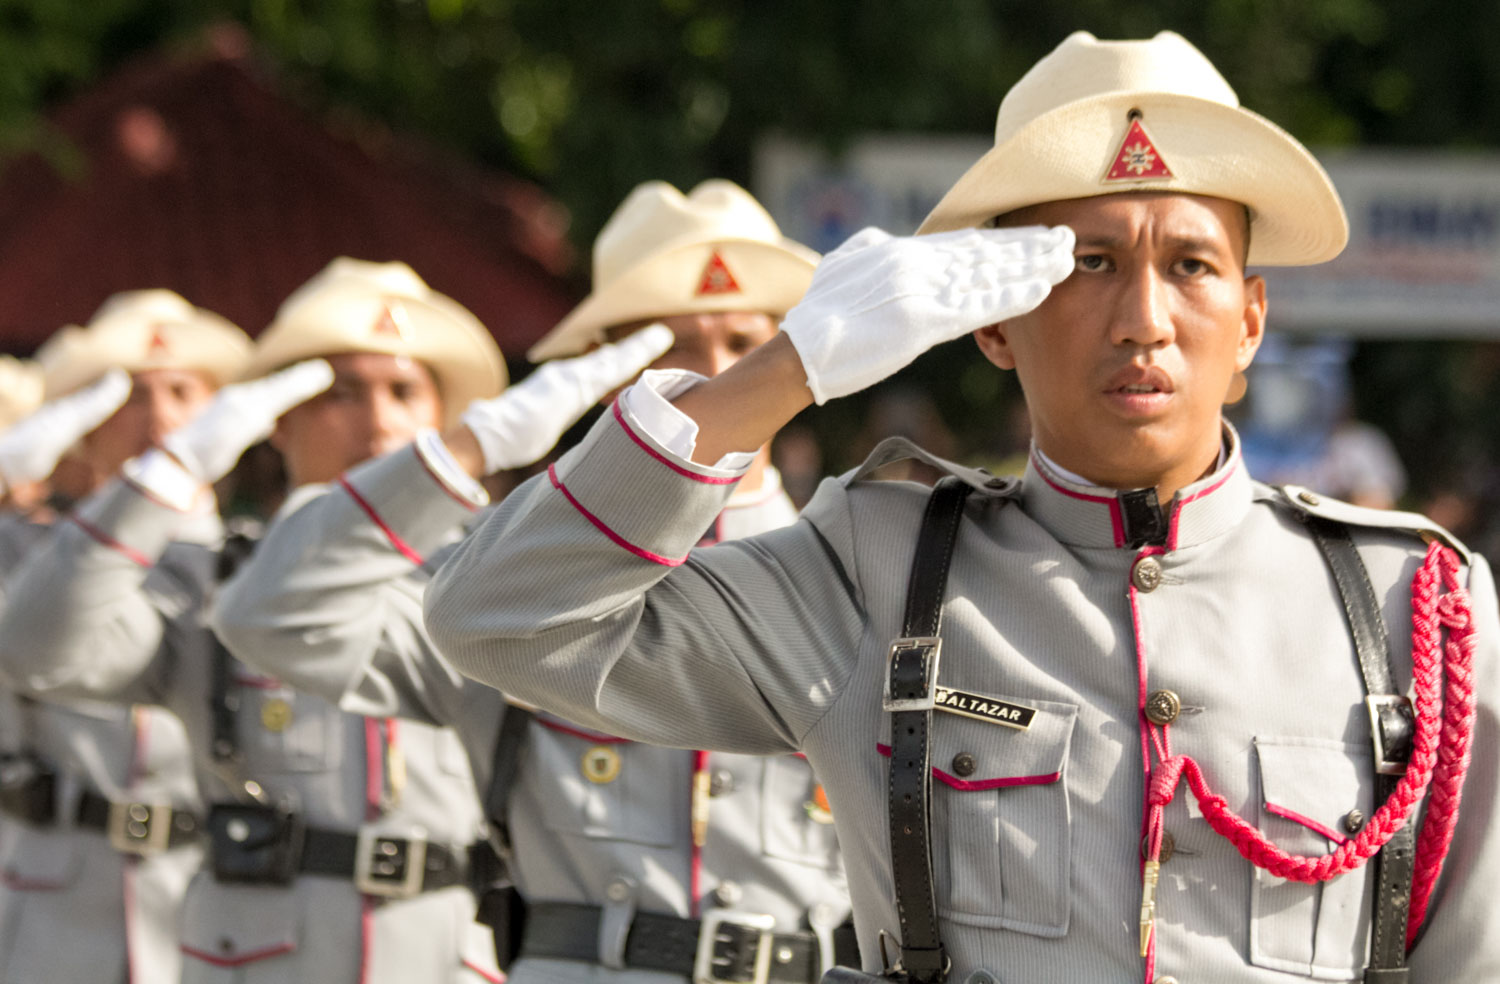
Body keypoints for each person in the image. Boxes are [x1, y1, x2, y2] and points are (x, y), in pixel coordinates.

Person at [422, 32, 1500, 984]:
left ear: (1252, 320)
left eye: (1192, 265)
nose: (1145, 319)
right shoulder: (876, 574)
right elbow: (498, 618)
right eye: (1089, 263)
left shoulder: (1410, 604)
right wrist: (786, 370)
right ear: (994, 323)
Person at [211, 180, 857, 984]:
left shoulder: (848, 568)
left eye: (745, 343)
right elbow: (274, 617)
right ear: (610, 370)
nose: (720, 373)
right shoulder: (507, 578)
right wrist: (458, 454)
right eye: (678, 348)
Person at [0, 260, 519, 983]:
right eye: (340, 393)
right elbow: (40, 648)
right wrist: (164, 476)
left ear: (441, 417)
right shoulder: (219, 584)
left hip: (447, 956)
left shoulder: (494, 585)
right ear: (280, 421)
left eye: (405, 391)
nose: (378, 423)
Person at [0, 291, 247, 984]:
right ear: (83, 424)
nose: (160, 418)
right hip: (49, 901)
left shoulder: (254, 561)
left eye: (183, 391)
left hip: (209, 899)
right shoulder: (21, 552)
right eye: (129, 395)